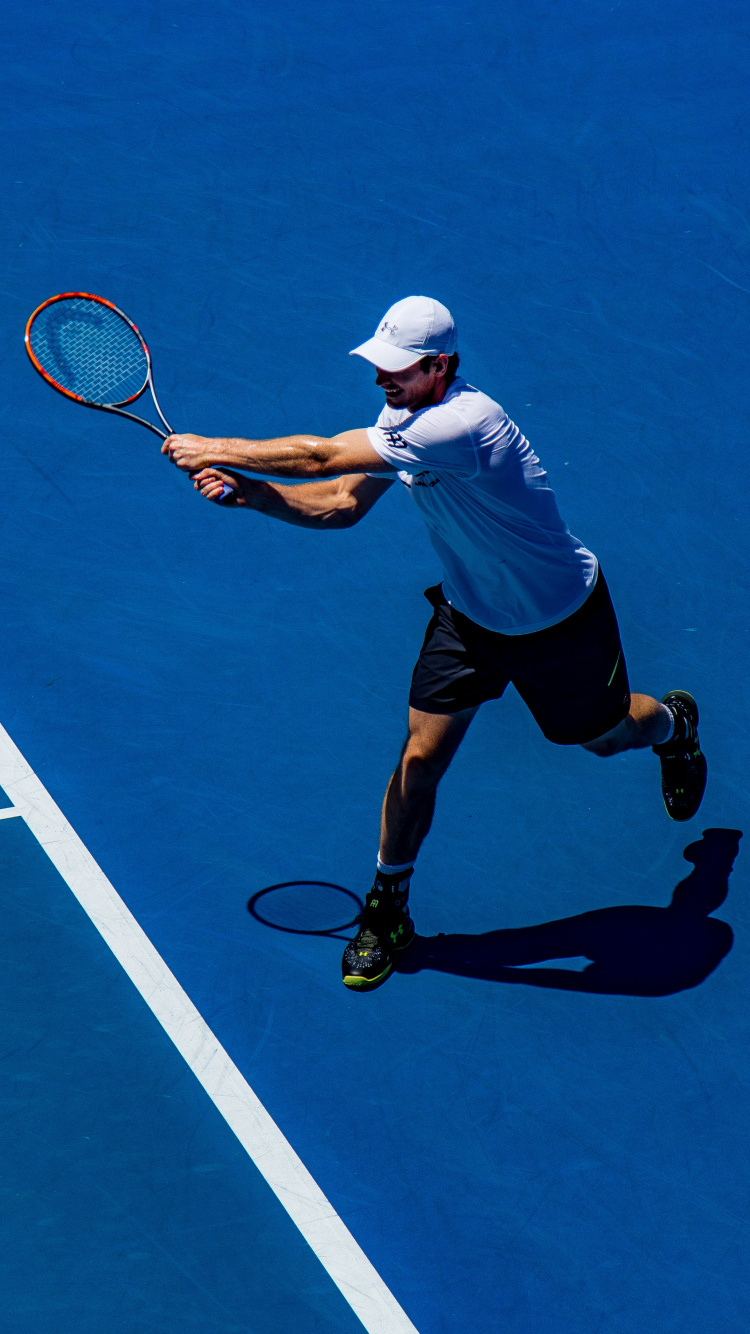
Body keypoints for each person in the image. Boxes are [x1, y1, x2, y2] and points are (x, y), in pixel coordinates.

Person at [162, 296, 708, 992]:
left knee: (602, 737)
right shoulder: (403, 418)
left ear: (440, 365)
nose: (382, 378)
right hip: (469, 619)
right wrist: (254, 495)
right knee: (419, 759)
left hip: (560, 620)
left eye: (397, 368)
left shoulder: (463, 424)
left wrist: (214, 447)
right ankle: (388, 905)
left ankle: (673, 725)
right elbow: (340, 502)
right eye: (378, 365)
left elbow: (321, 455)